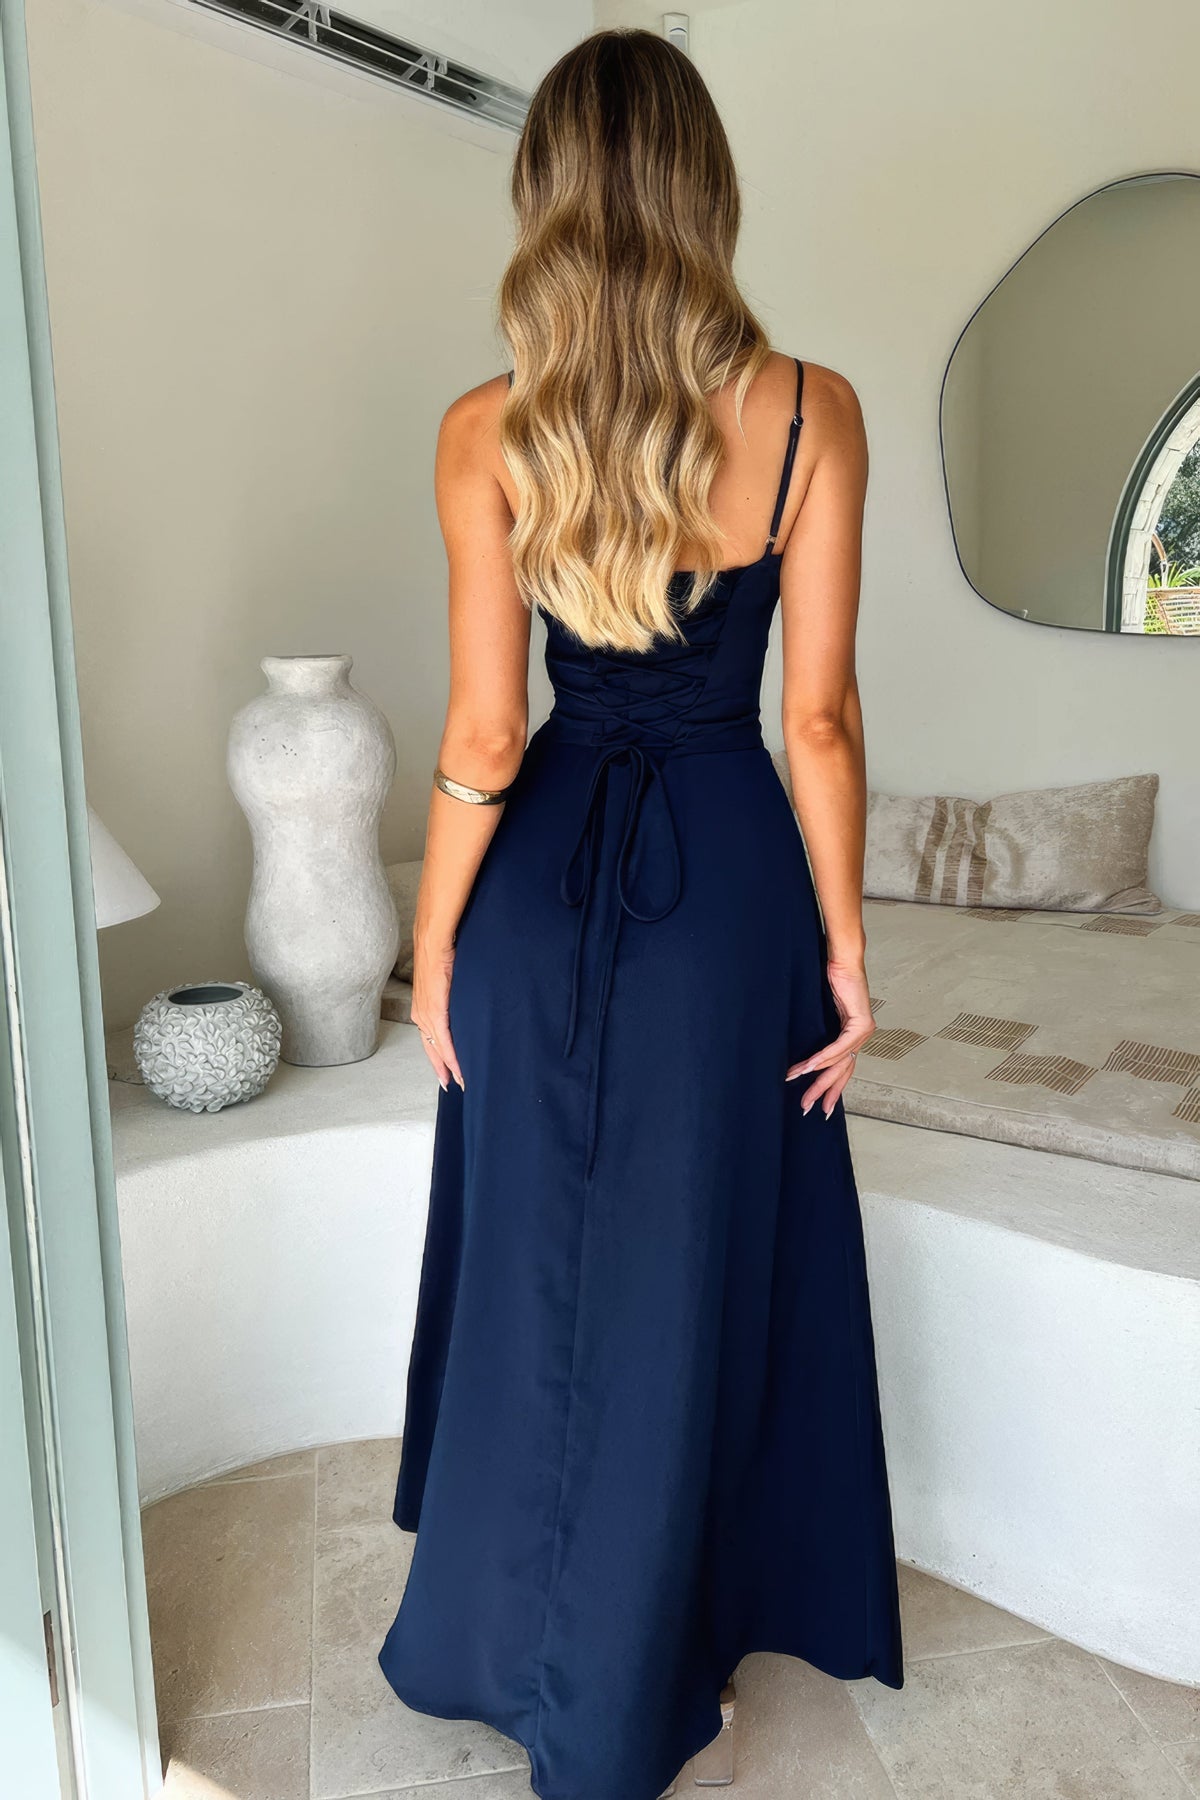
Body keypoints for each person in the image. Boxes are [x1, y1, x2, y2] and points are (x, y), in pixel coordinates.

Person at [379, 27, 903, 1800]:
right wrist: (847, 947)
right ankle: (664, 1662)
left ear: (543, 198)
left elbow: (483, 734)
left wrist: (437, 941)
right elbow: (817, 720)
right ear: (708, 191)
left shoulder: (487, 431)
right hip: (728, 895)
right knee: (696, 1273)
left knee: (534, 1265)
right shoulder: (812, 412)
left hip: (536, 885)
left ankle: (503, 1648)